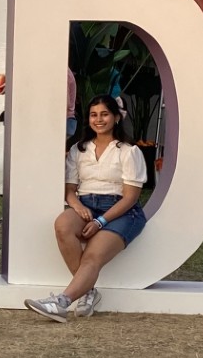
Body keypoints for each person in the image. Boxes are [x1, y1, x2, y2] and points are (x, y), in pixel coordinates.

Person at [24, 95, 149, 323]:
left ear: (116, 117)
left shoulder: (128, 151)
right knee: (63, 225)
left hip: (121, 210)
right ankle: (88, 292)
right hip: (87, 203)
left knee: (92, 256)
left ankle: (61, 302)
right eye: (94, 115)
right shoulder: (79, 150)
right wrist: (77, 206)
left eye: (104, 114)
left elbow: (130, 197)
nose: (98, 119)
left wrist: (100, 222)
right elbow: (70, 189)